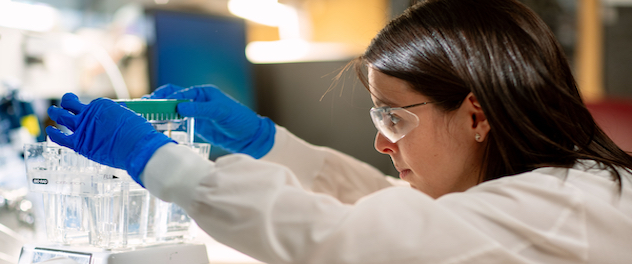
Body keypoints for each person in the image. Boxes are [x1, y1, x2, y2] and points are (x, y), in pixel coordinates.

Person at [45, 0, 632, 263]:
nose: (382, 143)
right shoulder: (558, 187)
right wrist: (265, 143)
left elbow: (345, 243)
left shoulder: (558, 210)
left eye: (394, 117)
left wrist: (157, 160)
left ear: (476, 116)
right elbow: (403, 217)